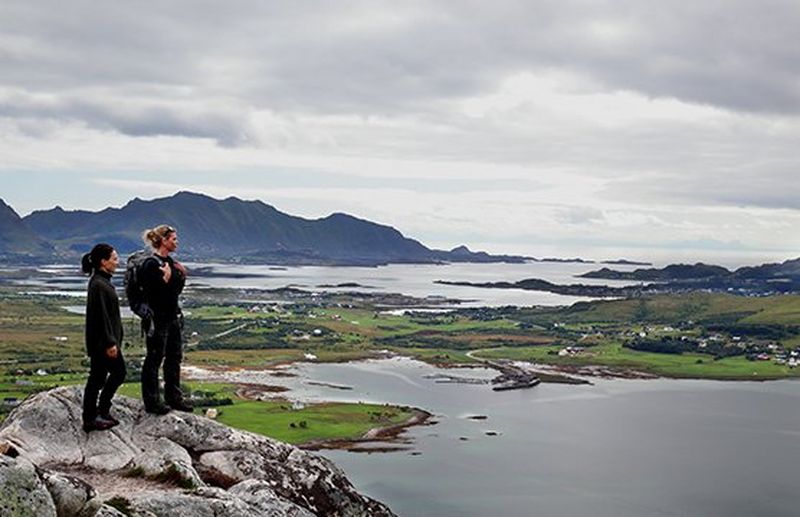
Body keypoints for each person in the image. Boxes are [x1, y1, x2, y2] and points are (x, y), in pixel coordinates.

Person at [140, 224, 192, 414]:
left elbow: (175, 293)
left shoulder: (171, 263)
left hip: (171, 317)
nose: (176, 242)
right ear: (163, 240)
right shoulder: (150, 265)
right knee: (154, 359)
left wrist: (178, 277)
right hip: (157, 319)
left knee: (174, 358)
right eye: (174, 239)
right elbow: (154, 295)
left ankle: (173, 398)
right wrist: (167, 280)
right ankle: (152, 401)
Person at [81, 243, 127, 432]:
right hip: (103, 343)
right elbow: (101, 316)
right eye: (114, 259)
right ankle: (95, 415)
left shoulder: (102, 281)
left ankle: (97, 414)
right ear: (103, 261)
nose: (117, 262)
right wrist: (110, 342)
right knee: (117, 373)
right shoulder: (99, 284)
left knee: (98, 377)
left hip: (104, 342)